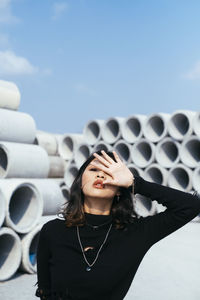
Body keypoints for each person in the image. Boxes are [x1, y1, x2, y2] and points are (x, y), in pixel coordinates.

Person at [35, 149, 200, 300]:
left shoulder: (136, 233)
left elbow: (190, 206)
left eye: (109, 173)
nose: (100, 176)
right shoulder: (52, 231)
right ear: (79, 182)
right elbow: (45, 290)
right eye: (93, 170)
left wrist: (136, 183)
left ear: (121, 188)